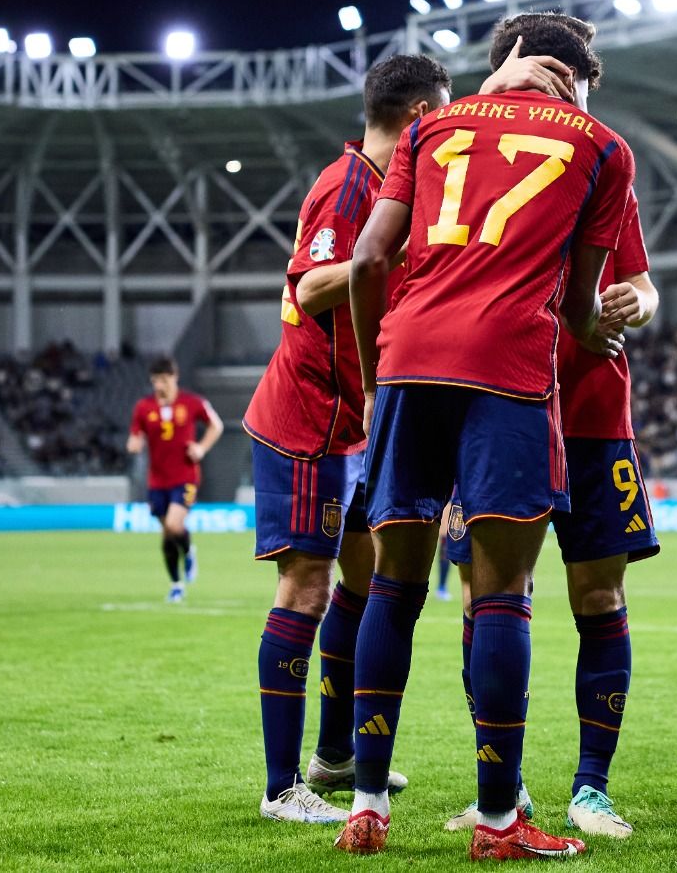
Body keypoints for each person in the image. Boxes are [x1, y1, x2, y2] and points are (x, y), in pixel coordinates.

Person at [243, 47, 582, 825]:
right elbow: (310, 282)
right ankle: (278, 786)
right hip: (310, 416)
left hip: (356, 416)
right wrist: (400, 270)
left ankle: (337, 758)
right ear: (421, 116)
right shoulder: (348, 185)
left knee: (361, 585)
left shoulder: (392, 180)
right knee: (307, 586)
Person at [338, 11, 633, 861]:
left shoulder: (430, 127)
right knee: (502, 592)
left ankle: (366, 807)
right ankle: (501, 824)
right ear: (573, 79)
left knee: (393, 586)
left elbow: (365, 265)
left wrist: (370, 383)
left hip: (406, 363)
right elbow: (580, 306)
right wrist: (598, 330)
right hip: (505, 369)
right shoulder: (605, 148)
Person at [442, 188, 659, 839]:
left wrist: (637, 305)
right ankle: (503, 790)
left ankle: (592, 789)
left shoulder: (607, 182)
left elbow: (644, 288)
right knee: (483, 598)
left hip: (594, 415)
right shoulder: (485, 169)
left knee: (599, 594)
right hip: (500, 411)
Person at [126, 357, 223, 603]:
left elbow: (216, 425)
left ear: (174, 377)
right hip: (157, 480)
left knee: (173, 525)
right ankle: (176, 584)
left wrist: (201, 448)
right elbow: (135, 436)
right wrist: (134, 443)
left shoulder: (192, 402)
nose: (160, 385)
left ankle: (189, 550)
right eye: (156, 380)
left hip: (186, 477)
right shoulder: (143, 407)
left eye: (164, 379)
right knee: (167, 534)